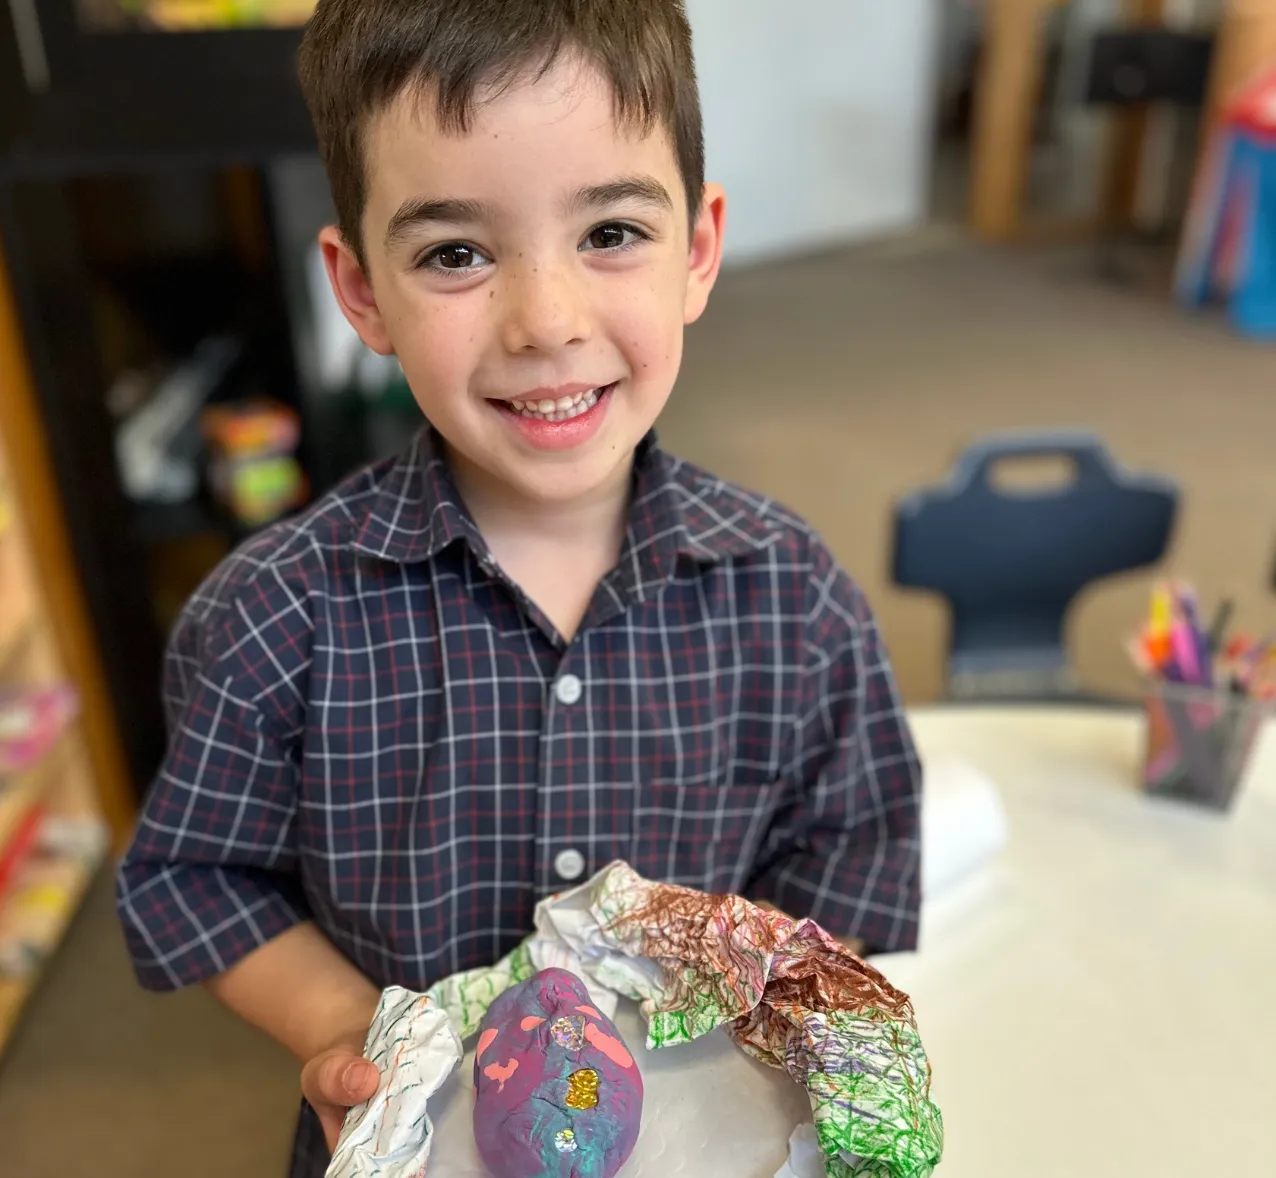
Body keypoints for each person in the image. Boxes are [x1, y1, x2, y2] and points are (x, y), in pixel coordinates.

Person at [116, 2, 922, 1175]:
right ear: (360, 290)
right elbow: (193, 873)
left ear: (698, 248)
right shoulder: (272, 616)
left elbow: (852, 851)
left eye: (610, 231)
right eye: (455, 252)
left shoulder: (792, 599)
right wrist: (346, 1024)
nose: (545, 321)